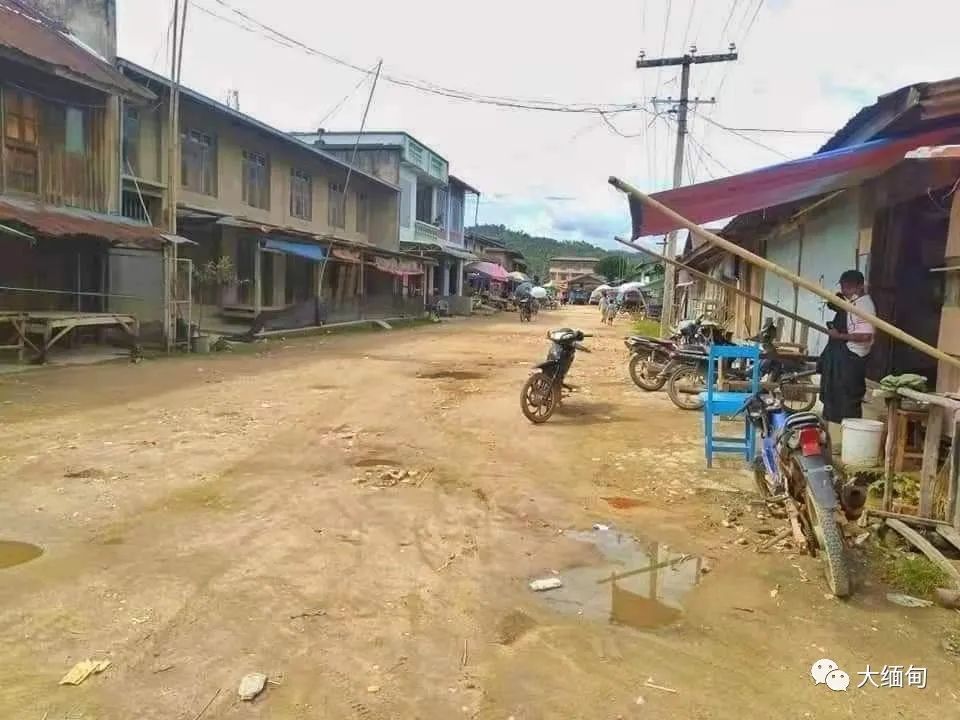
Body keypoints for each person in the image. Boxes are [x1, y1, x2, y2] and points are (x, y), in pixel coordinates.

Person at [818, 270, 875, 424]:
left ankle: (849, 432)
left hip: (852, 358)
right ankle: (834, 428)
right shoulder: (852, 303)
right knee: (835, 396)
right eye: (843, 287)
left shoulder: (864, 306)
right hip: (843, 358)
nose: (845, 291)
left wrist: (839, 336)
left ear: (860, 286)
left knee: (847, 400)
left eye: (849, 287)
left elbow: (865, 336)